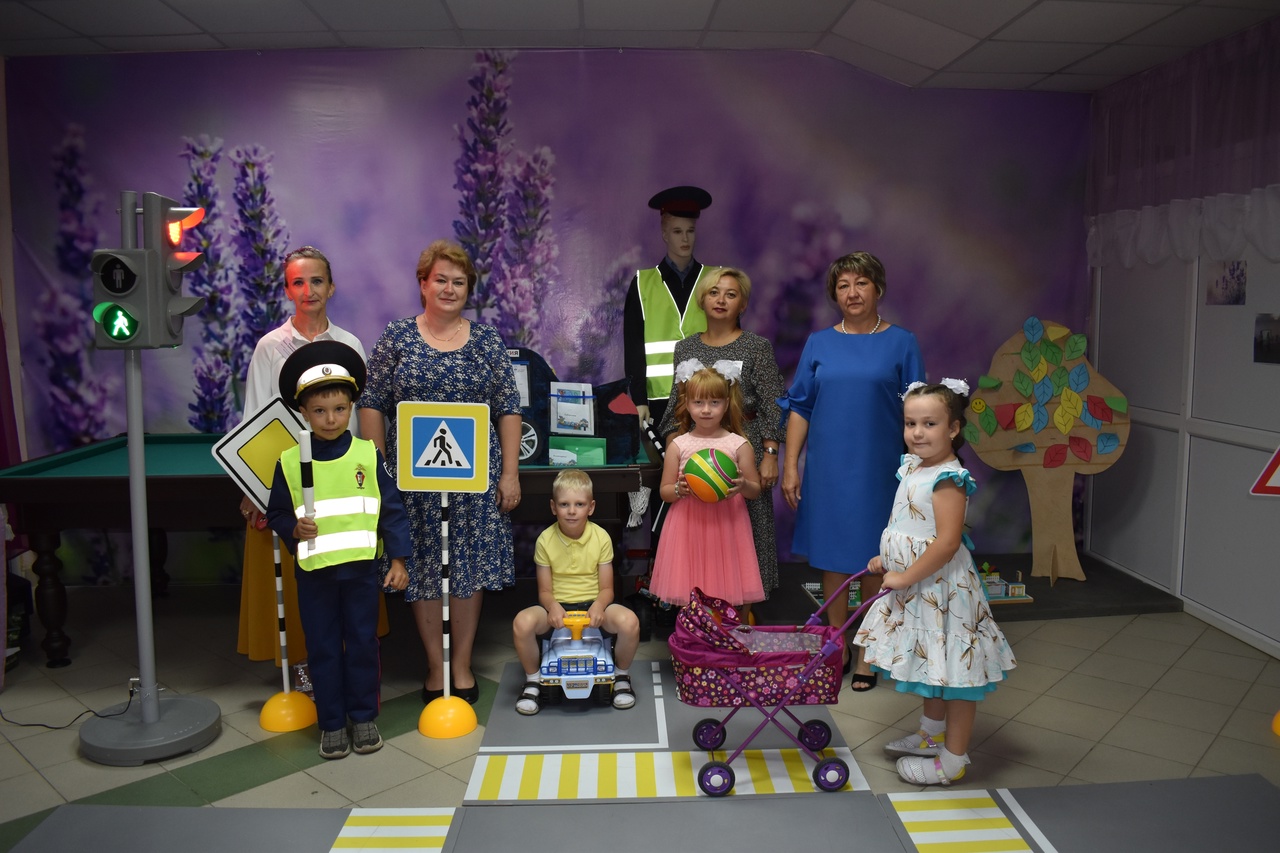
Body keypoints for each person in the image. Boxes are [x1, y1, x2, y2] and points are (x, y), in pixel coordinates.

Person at [357, 240, 522, 706]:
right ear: (423, 284)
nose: (449, 289)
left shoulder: (487, 341)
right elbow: (372, 403)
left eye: (459, 282)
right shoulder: (396, 337)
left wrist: (510, 474)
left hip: (476, 480)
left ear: (469, 289)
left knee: (467, 567)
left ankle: (461, 664)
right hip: (413, 483)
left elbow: (508, 408)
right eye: (441, 280)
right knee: (424, 567)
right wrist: (380, 471)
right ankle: (435, 665)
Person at [854, 380, 1016, 785]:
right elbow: (910, 523)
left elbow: (946, 543)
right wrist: (888, 558)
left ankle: (953, 760)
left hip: (943, 590)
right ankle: (931, 735)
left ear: (954, 428)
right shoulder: (914, 466)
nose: (918, 432)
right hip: (919, 587)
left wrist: (904, 575)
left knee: (956, 675)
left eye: (930, 423)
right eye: (911, 423)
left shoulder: (948, 479)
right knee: (935, 665)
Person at [236, 246, 384, 681]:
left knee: (348, 573)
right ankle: (304, 664)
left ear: (331, 287)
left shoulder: (349, 345)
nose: (308, 290)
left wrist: (368, 474)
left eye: (316, 281)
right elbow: (256, 418)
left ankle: (352, 661)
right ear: (287, 290)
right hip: (293, 479)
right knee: (304, 577)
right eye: (298, 282)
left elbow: (358, 417)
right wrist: (255, 490)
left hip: (343, 479)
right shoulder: (270, 347)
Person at [780, 251, 924, 691]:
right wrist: (790, 465)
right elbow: (800, 406)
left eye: (861, 283)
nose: (852, 292)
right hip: (827, 470)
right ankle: (836, 647)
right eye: (843, 285)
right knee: (832, 561)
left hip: (881, 470)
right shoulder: (818, 343)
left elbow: (919, 412)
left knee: (878, 560)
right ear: (834, 294)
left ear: (878, 288)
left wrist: (919, 471)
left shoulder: (902, 342)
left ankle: (868, 653)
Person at [265, 341, 411, 759]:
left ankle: (363, 717)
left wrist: (398, 560)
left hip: (361, 574)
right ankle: (331, 723)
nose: (331, 419)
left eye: (340, 409)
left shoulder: (368, 454)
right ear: (303, 412)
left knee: (363, 644)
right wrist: (294, 528)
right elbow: (276, 514)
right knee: (323, 649)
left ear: (351, 408)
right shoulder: (290, 462)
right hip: (315, 576)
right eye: (320, 411)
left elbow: (391, 509)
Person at [657, 267, 783, 618]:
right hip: (695, 448)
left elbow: (773, 402)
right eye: (714, 292)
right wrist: (678, 448)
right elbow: (676, 403)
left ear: (743, 303)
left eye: (731, 294)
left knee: (747, 531)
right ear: (702, 300)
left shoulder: (757, 347)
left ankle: (742, 614)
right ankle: (700, 620)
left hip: (745, 445)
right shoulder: (686, 347)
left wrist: (770, 454)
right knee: (700, 539)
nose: (721, 300)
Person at [511, 469, 641, 715]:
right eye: (564, 504)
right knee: (522, 623)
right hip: (558, 608)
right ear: (553, 507)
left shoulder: (601, 537)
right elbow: (544, 591)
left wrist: (599, 606)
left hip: (594, 606)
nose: (572, 511)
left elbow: (607, 589)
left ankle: (621, 677)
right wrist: (553, 607)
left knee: (630, 622)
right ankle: (533, 681)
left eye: (579, 504)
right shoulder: (545, 540)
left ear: (591, 507)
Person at [651, 362, 764, 607]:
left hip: (727, 525)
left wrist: (742, 485)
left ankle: (721, 631)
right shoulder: (678, 445)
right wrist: (678, 490)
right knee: (689, 594)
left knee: (722, 593)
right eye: (698, 402)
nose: (706, 410)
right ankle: (692, 630)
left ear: (727, 403)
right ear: (687, 404)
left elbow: (755, 490)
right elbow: (665, 491)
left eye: (714, 402)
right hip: (687, 525)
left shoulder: (738, 444)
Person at [623, 185, 714, 431]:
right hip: (659, 401)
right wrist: (639, 399)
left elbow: (731, 339)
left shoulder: (715, 280)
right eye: (677, 231)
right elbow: (633, 347)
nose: (685, 239)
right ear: (664, 234)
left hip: (709, 399)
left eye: (690, 231)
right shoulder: (642, 283)